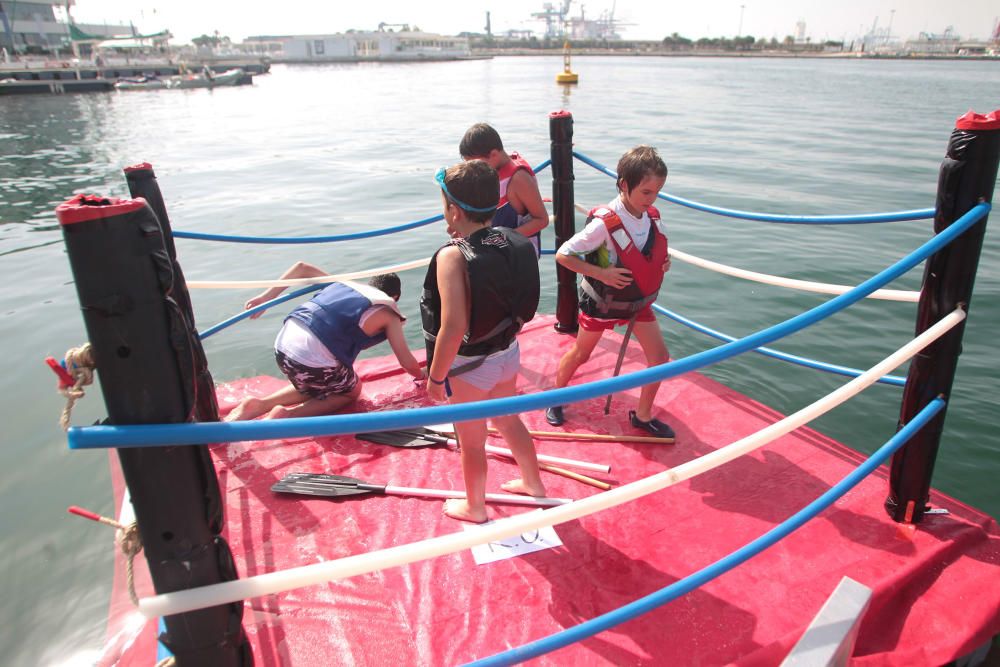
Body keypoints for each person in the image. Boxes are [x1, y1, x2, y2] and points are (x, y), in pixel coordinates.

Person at [422, 160, 546, 523]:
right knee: (509, 421)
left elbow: (453, 325)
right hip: (507, 351)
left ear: (454, 210)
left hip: (469, 366)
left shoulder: (451, 256)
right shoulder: (513, 239)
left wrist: (435, 376)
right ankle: (533, 484)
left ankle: (475, 507)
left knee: (472, 441)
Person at [545, 145, 675, 439]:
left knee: (659, 358)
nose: (651, 199)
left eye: (657, 191)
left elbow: (652, 251)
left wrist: (663, 262)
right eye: (645, 192)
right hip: (602, 303)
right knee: (581, 354)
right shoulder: (604, 224)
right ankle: (554, 397)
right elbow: (564, 255)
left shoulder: (652, 216)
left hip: (637, 302)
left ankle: (642, 417)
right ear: (624, 185)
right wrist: (602, 273)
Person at [225, 264, 424, 421]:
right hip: (311, 359)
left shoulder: (344, 285)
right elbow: (406, 362)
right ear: (395, 297)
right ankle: (287, 417)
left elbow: (301, 268)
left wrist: (265, 297)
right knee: (351, 391)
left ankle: (260, 404)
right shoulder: (389, 312)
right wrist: (424, 375)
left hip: (283, 347)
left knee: (319, 383)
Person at [459, 123, 549, 258]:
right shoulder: (491, 171)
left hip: (517, 256)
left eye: (476, 164)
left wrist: (499, 240)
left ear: (494, 154)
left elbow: (542, 220)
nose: (473, 170)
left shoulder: (519, 179)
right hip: (493, 251)